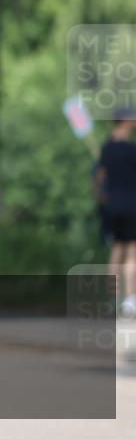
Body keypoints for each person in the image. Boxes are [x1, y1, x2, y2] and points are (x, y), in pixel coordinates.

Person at [95, 108, 136, 317]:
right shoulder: (131, 150)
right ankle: (130, 301)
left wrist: (106, 201)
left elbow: (99, 179)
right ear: (126, 121)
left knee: (116, 252)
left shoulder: (106, 149)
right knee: (132, 253)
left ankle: (112, 299)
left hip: (112, 206)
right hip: (131, 205)